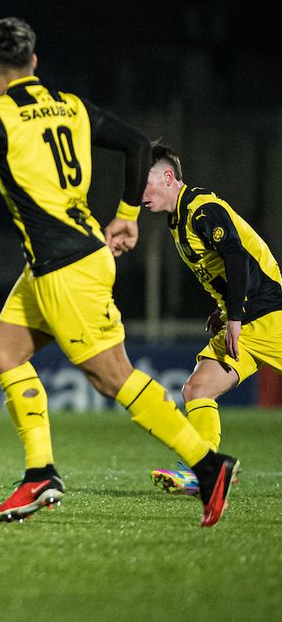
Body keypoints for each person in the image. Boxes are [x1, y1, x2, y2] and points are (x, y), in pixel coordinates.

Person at [0, 17, 238, 526]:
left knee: (113, 378)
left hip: (66, 268)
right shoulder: (73, 106)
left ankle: (208, 464)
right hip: (59, 261)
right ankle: (39, 474)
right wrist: (127, 216)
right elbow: (135, 144)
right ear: (34, 62)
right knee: (5, 351)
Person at [142, 142, 281, 495]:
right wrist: (224, 312)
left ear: (168, 177)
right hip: (243, 320)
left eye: (144, 185)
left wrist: (233, 314)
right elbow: (222, 270)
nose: (139, 195)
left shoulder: (201, 208)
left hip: (268, 314)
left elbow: (236, 257)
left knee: (197, 388)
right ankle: (206, 469)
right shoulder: (178, 220)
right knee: (197, 388)